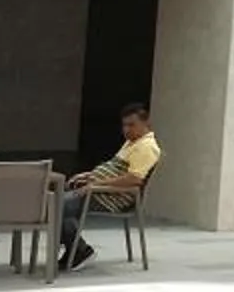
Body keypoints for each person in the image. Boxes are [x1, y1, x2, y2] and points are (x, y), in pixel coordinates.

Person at [58, 104, 159, 274]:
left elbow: (134, 179)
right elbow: (113, 168)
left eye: (131, 125)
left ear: (145, 123)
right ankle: (74, 249)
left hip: (114, 196)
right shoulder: (132, 143)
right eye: (124, 125)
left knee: (60, 205)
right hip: (99, 190)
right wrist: (89, 175)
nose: (126, 129)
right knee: (56, 204)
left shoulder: (147, 147)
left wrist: (96, 185)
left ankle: (81, 251)